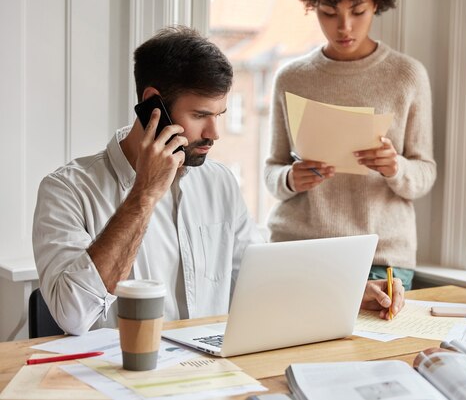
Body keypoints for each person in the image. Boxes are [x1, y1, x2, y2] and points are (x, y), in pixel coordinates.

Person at [32, 26, 403, 336]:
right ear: (153, 105)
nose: (214, 133)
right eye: (200, 115)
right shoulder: (66, 190)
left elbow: (258, 283)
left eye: (220, 114)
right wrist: (144, 195)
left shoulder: (219, 182)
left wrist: (345, 293)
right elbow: (73, 315)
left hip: (210, 376)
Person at [264, 0, 436, 295]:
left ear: (376, 4)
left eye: (358, 12)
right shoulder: (291, 78)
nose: (344, 27)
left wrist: (394, 167)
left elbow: (425, 173)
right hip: (295, 248)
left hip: (379, 256)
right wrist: (290, 178)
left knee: (365, 341)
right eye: (329, 13)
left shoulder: (406, 75)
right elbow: (271, 170)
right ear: (312, 5)